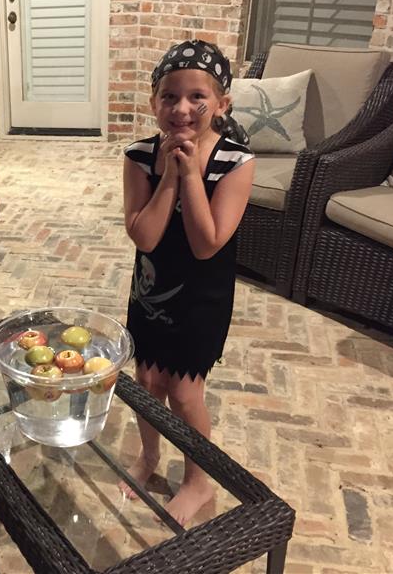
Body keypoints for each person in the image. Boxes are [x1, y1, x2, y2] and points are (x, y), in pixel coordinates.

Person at [120, 40, 255, 526]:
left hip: (202, 298)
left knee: (183, 392)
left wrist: (192, 172)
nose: (181, 108)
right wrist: (170, 178)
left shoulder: (237, 162)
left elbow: (206, 243)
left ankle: (199, 479)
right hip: (151, 292)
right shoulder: (140, 155)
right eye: (169, 96)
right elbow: (145, 235)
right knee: (147, 381)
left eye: (197, 97)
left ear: (221, 104)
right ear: (153, 102)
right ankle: (150, 454)